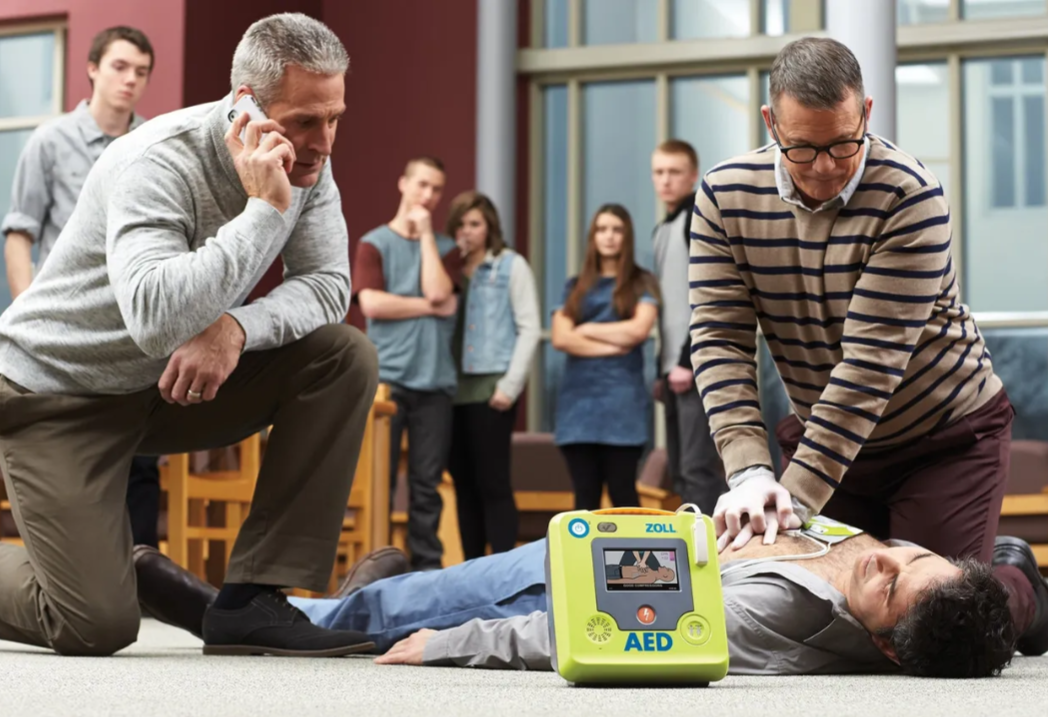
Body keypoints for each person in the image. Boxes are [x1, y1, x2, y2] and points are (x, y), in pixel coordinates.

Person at [0, 13, 379, 658]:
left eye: (334, 118)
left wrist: (235, 327)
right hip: (56, 396)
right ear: (245, 105)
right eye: (304, 122)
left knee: (343, 357)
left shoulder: (310, 165)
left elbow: (327, 286)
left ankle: (252, 600)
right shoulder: (156, 161)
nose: (323, 143)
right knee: (94, 625)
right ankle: (111, 575)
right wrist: (264, 210)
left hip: (164, 389)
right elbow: (155, 318)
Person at [687, 36, 1045, 657]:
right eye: (803, 148)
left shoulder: (910, 195)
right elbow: (720, 339)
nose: (826, 167)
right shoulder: (724, 197)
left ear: (867, 113)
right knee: (844, 619)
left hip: (942, 438)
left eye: (844, 144)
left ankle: (1019, 583)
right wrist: (749, 473)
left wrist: (792, 503)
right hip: (828, 438)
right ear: (771, 123)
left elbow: (870, 366)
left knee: (932, 624)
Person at [135, 520, 1042, 679]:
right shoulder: (873, 565)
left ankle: (214, 611)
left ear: (883, 644)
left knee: (386, 619)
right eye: (913, 556)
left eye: (891, 584)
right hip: (605, 543)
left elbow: (604, 633)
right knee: (403, 594)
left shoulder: (781, 620)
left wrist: (454, 647)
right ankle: (364, 595)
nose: (884, 558)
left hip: (568, 579)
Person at [0, 26, 162, 548]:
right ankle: (69, 570)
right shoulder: (50, 141)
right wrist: (31, 317)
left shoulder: (154, 143)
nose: (131, 80)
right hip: (65, 333)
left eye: (141, 72)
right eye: (120, 66)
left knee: (140, 459)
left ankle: (142, 576)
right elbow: (20, 233)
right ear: (92, 68)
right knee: (68, 458)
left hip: (133, 330)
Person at [354, 157, 462, 570]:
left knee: (426, 486)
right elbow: (372, 305)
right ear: (403, 183)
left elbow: (438, 291)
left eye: (436, 189)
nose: (428, 196)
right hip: (386, 383)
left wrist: (427, 238)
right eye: (422, 185)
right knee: (378, 482)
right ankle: (376, 568)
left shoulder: (448, 249)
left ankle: (427, 572)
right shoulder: (374, 243)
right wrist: (431, 307)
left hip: (435, 384)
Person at [444, 191, 540, 559]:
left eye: (475, 224)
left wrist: (510, 386)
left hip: (491, 389)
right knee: (463, 484)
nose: (467, 231)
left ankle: (502, 565)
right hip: (450, 391)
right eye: (461, 224)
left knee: (493, 482)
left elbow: (529, 327)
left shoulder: (510, 265)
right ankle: (471, 567)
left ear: (489, 227)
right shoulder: (446, 268)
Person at [551, 204, 660, 510]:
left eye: (616, 230)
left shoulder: (642, 282)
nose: (609, 236)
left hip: (622, 408)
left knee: (623, 494)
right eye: (601, 229)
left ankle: (635, 547)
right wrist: (612, 345)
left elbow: (637, 330)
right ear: (592, 236)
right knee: (584, 499)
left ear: (627, 236)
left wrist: (586, 329)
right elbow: (561, 337)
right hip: (577, 410)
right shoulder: (574, 286)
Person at [649, 139, 724, 515]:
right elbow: (669, 307)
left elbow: (710, 294)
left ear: (692, 175)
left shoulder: (697, 217)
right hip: (672, 370)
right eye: (659, 172)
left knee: (698, 469)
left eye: (674, 172)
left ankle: (713, 549)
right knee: (680, 471)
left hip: (696, 367)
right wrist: (661, 368)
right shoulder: (662, 228)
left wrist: (685, 361)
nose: (665, 180)